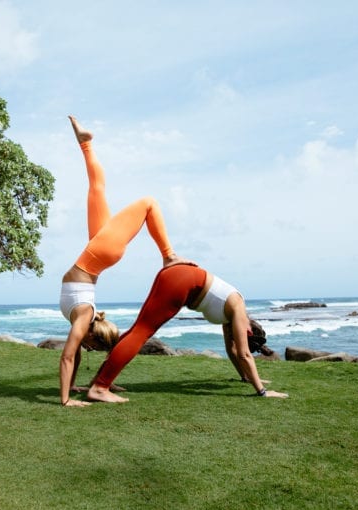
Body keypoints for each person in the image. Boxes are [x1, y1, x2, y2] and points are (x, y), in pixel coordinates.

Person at [59, 116, 192, 407]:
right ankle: (168, 255)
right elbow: (71, 356)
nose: (88, 350)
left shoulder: (81, 319)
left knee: (110, 192)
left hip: (98, 254)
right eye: (93, 348)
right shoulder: (82, 318)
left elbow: (71, 356)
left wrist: (68, 395)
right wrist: (69, 396)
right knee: (133, 199)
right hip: (99, 253)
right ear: (92, 337)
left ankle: (86, 143)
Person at [86, 264, 289, 403]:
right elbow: (244, 354)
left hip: (178, 276)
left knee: (136, 331)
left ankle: (101, 381)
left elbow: (233, 351)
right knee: (141, 332)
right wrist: (262, 392)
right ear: (248, 331)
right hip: (180, 281)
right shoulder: (238, 310)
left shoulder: (231, 315)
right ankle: (100, 387)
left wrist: (247, 378)